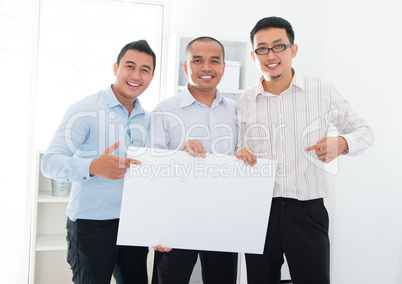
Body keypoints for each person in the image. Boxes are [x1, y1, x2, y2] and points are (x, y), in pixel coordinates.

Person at [234, 16, 374, 284]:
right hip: (260, 211)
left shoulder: (321, 90)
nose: (270, 54)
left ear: (293, 50)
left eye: (278, 46)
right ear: (254, 55)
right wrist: (240, 155)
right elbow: (241, 151)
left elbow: (365, 132)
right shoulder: (245, 101)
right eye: (262, 48)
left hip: (307, 211)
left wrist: (343, 143)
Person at [41, 40, 156, 284]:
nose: (136, 75)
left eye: (144, 70)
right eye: (130, 66)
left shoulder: (149, 119)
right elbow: (50, 162)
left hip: (133, 225)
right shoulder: (85, 109)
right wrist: (93, 166)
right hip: (91, 227)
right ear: (116, 68)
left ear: (151, 77)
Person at [148, 36, 238, 284]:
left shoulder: (236, 110)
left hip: (222, 221)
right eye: (197, 60)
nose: (206, 67)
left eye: (214, 61)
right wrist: (157, 226)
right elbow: (151, 171)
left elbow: (240, 164)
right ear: (186, 67)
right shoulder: (164, 110)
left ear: (223, 68)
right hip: (176, 221)